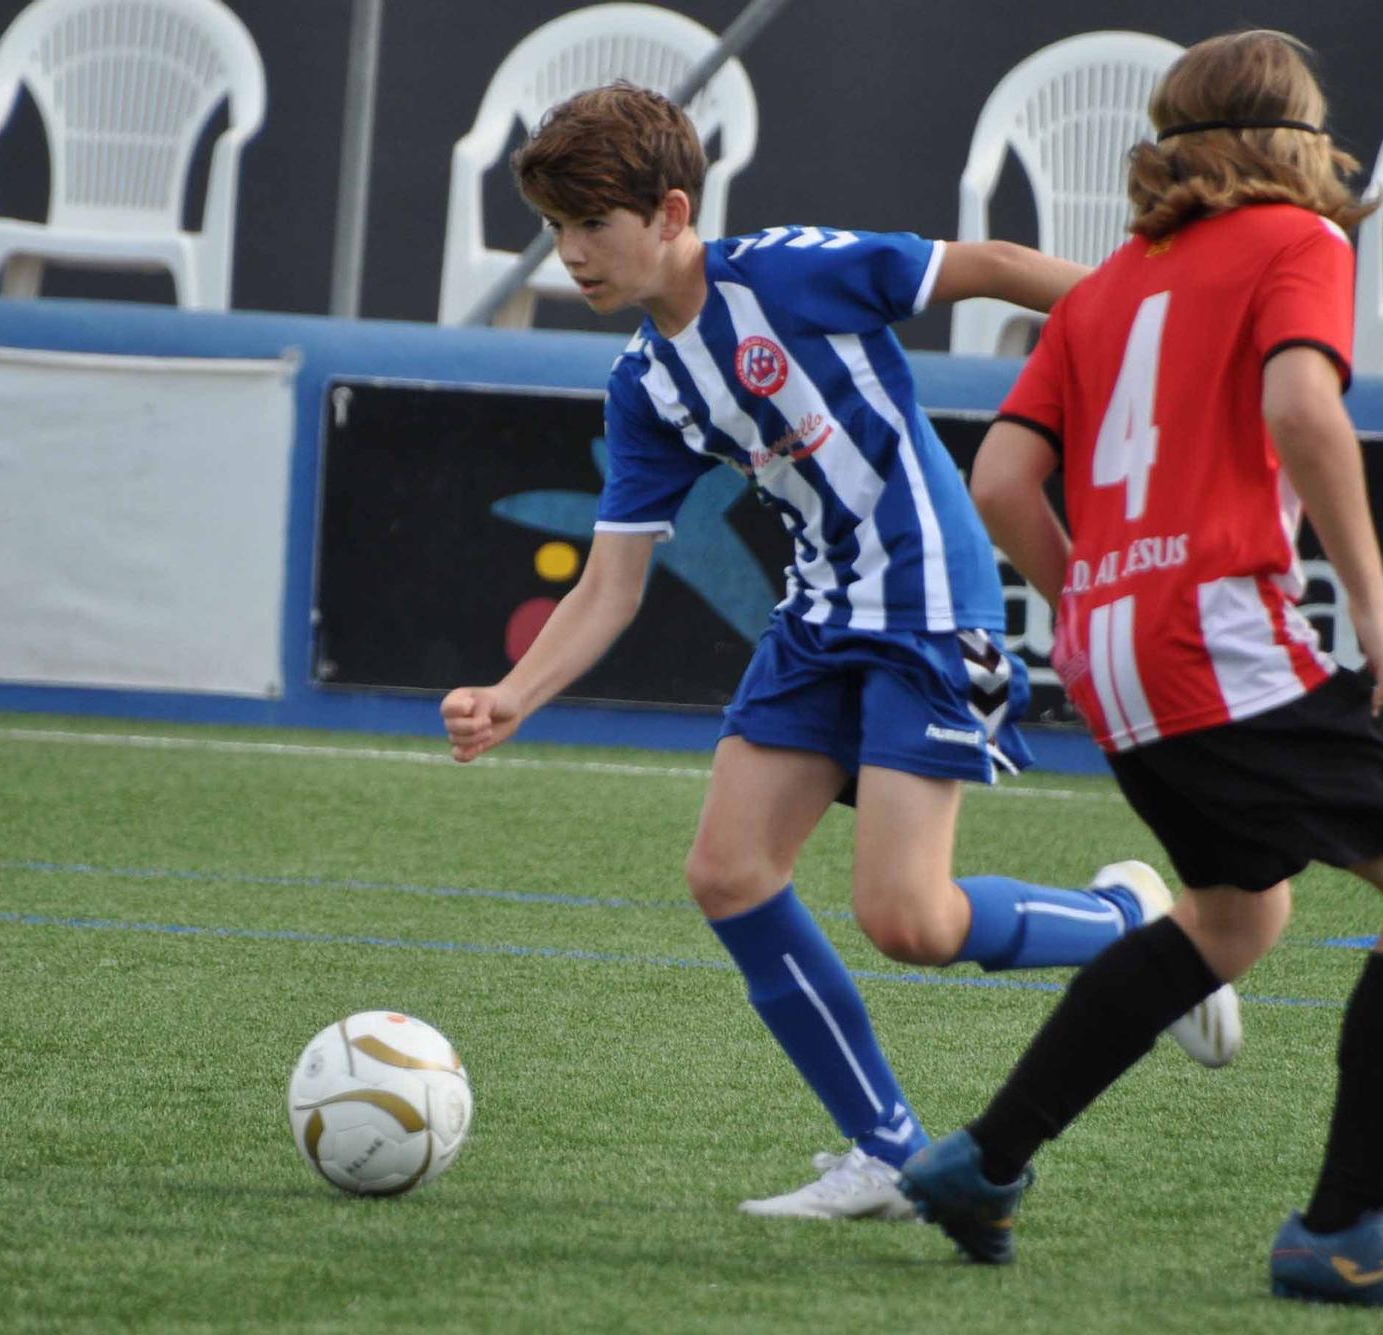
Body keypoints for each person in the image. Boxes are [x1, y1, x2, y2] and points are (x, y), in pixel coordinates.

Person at [438, 82, 1241, 1223]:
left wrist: (1162, 326)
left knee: (906, 922)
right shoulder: (646, 386)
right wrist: (514, 694)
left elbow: (1000, 265)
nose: (569, 254)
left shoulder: (786, 271)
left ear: (671, 211)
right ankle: (887, 1151)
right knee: (726, 873)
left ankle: (1136, 932)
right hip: (819, 616)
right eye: (556, 230)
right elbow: (612, 583)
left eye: (590, 227)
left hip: (925, 603)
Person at [894, 31, 1383, 1321]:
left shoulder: (1108, 283)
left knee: (1236, 915)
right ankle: (1347, 1229)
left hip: (1110, 650)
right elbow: (1300, 408)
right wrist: (1366, 594)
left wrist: (1098, 600)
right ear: (1297, 138)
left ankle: (981, 1163)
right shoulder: (1302, 240)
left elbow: (1000, 484)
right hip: (1216, 629)